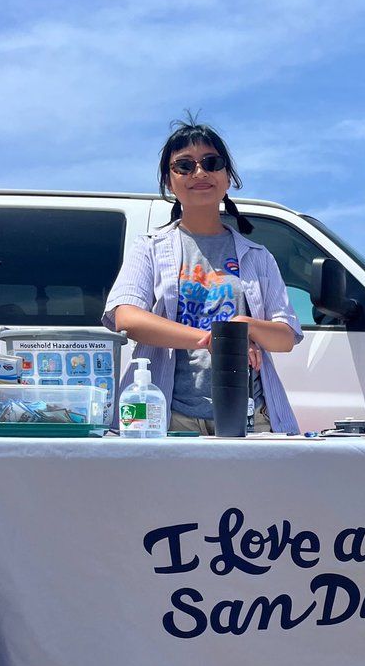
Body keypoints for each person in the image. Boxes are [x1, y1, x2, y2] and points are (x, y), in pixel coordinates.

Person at [103, 117, 302, 434]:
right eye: (184, 165)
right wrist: (215, 340)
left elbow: (286, 337)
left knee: (256, 487)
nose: (199, 172)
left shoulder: (258, 256)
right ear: (170, 181)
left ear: (227, 178)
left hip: (251, 415)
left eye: (212, 162)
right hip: (168, 416)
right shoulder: (150, 249)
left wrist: (244, 326)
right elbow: (127, 317)